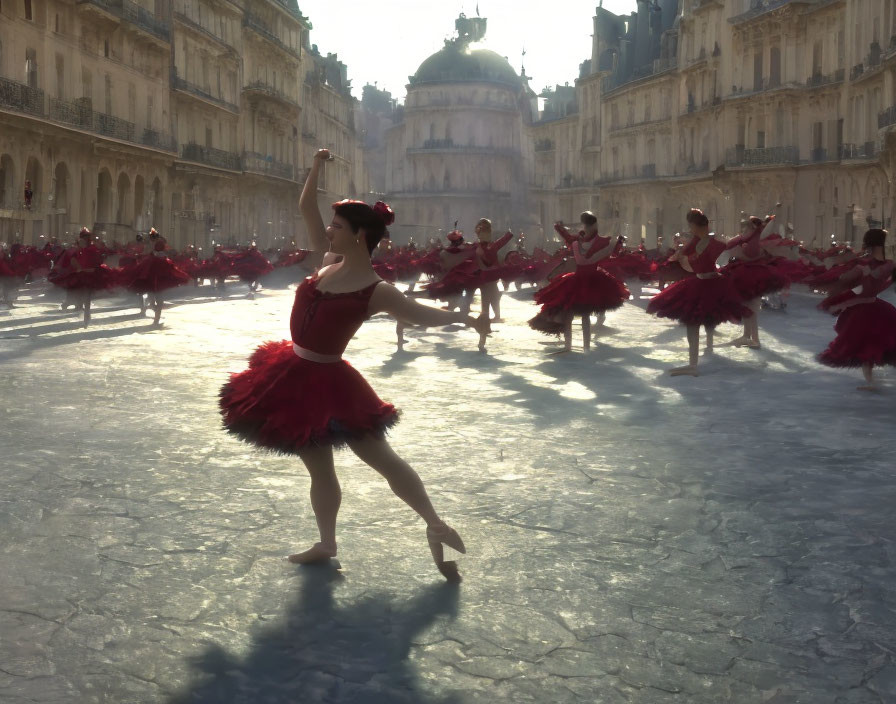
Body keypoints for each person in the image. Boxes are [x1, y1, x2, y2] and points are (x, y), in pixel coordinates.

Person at [220, 148, 489, 581]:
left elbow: (418, 313)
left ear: (360, 236)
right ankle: (327, 542)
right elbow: (306, 205)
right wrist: (317, 166)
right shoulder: (327, 262)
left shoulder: (375, 289)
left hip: (330, 383)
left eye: (338, 227)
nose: (328, 231)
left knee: (382, 459)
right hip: (292, 373)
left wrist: (466, 317)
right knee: (319, 467)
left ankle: (435, 525)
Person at [646, 209, 752, 376]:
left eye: (691, 225)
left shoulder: (715, 243)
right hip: (701, 281)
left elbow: (713, 259)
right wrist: (679, 255)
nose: (690, 229)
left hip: (711, 282)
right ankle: (695, 360)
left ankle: (696, 360)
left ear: (699, 225)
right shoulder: (695, 241)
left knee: (701, 319)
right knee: (697, 320)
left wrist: (683, 258)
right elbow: (683, 261)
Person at [529, 227, 629, 353]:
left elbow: (611, 252)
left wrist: (618, 242)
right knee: (571, 314)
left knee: (581, 314)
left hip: (588, 280)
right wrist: (559, 228)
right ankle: (573, 346)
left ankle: (581, 346)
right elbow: (569, 239)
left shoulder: (595, 244)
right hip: (579, 279)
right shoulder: (583, 243)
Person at [818, 228, 896, 390]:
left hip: (864, 309)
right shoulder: (886, 263)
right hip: (873, 306)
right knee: (870, 345)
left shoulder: (869, 263)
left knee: (866, 345)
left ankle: (871, 382)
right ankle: (870, 382)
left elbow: (859, 283)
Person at [722, 213, 789, 349]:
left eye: (747, 228)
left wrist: (739, 254)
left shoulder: (755, 240)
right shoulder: (755, 238)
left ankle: (754, 339)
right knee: (749, 307)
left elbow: (753, 256)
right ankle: (748, 336)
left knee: (750, 308)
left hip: (751, 275)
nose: (745, 231)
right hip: (750, 274)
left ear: (752, 228)